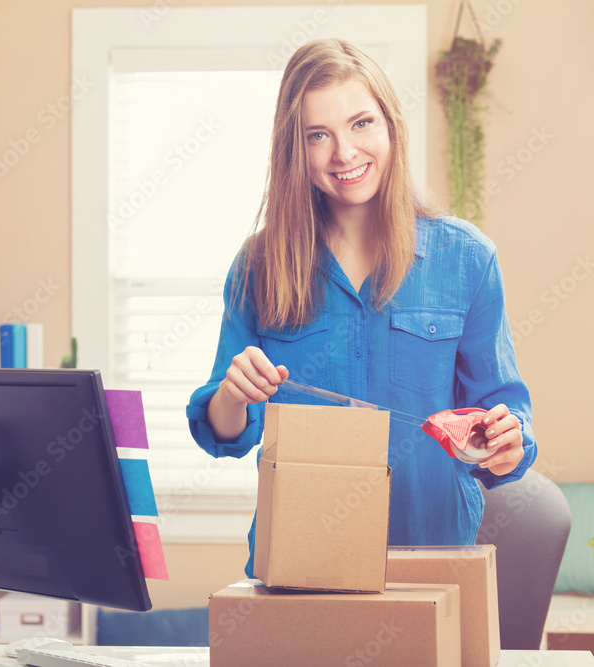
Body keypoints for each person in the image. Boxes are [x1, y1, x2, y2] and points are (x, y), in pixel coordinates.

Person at [186, 38, 536, 577]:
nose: (344, 153)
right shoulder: (259, 265)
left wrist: (506, 441)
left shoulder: (468, 259)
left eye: (361, 123)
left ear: (391, 126)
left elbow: (504, 415)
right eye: (317, 135)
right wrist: (232, 393)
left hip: (434, 559)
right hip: (297, 562)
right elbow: (224, 434)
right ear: (293, 150)